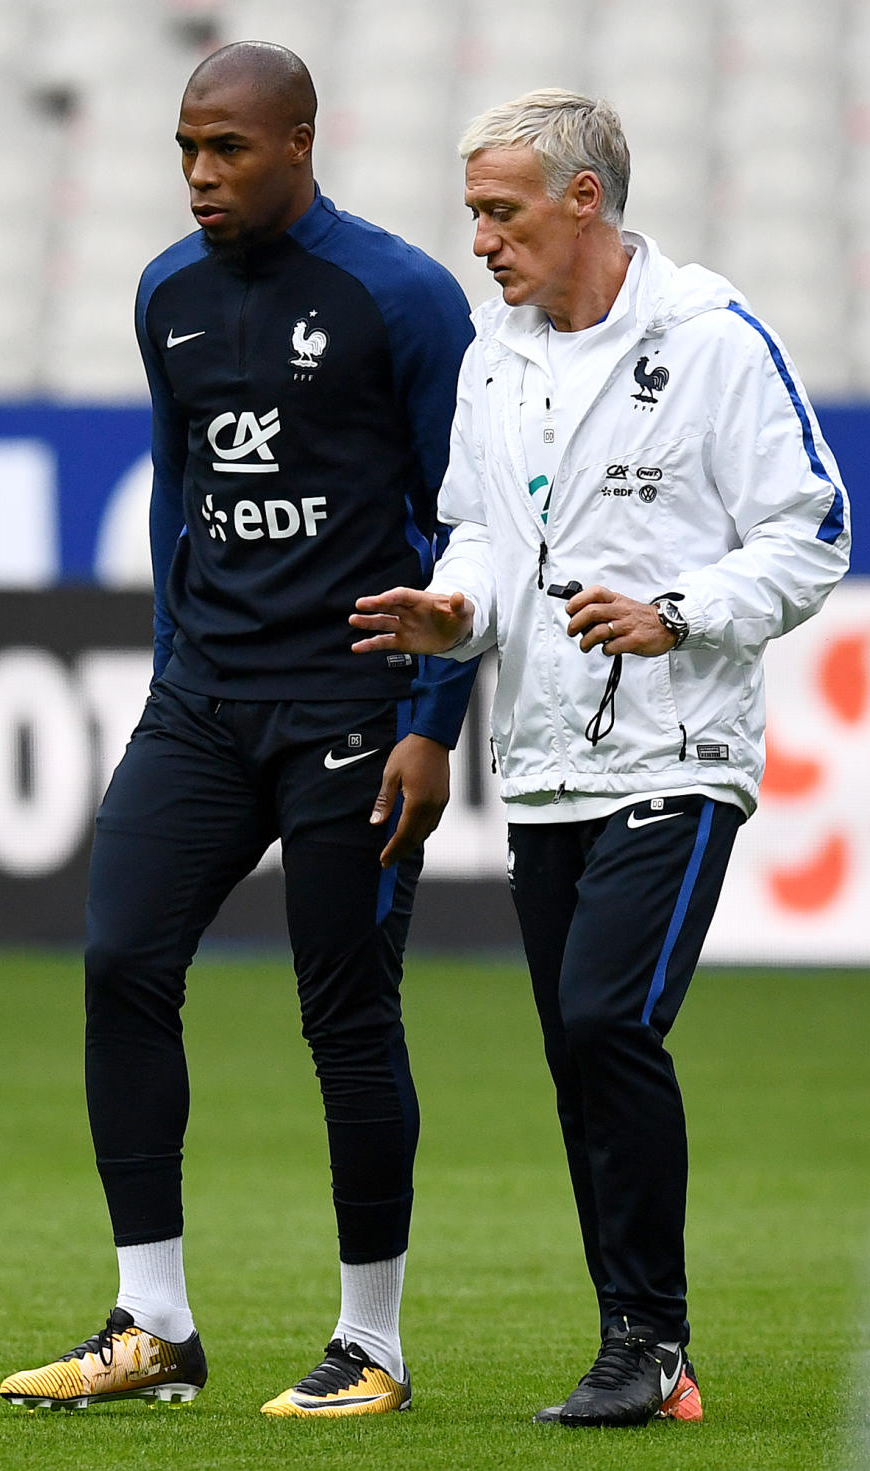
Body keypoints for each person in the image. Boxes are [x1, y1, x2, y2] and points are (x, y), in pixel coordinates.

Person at [350, 88, 850, 1428]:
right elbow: (473, 536)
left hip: (680, 747)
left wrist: (679, 612)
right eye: (472, 215)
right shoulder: (493, 357)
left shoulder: (712, 338)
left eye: (501, 213)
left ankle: (651, 1341)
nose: (482, 243)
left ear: (584, 200)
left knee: (603, 1021)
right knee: (584, 1052)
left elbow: (811, 532)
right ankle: (642, 1350)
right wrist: (450, 616)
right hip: (545, 758)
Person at [0, 42, 476, 1417]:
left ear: (301, 144)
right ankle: (154, 1323)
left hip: (354, 705)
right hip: (204, 699)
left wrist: (435, 719)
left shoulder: (402, 297)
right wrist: (170, 660)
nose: (203, 176)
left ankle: (371, 1344)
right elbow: (178, 488)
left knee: (342, 1013)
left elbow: (469, 527)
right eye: (186, 151)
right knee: (120, 961)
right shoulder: (168, 293)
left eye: (229, 151)